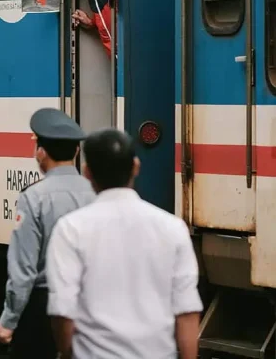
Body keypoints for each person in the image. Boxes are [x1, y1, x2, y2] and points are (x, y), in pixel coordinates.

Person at [46, 128, 202, 359]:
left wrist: (69, 352)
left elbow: (62, 311)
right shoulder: (173, 228)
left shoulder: (70, 229)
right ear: (136, 166)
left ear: (87, 173)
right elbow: (187, 311)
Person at [0, 108, 95, 358]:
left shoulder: (33, 198)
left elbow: (23, 270)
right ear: (77, 151)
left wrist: (8, 321)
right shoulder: (96, 194)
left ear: (40, 152)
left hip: (43, 310)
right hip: (89, 305)